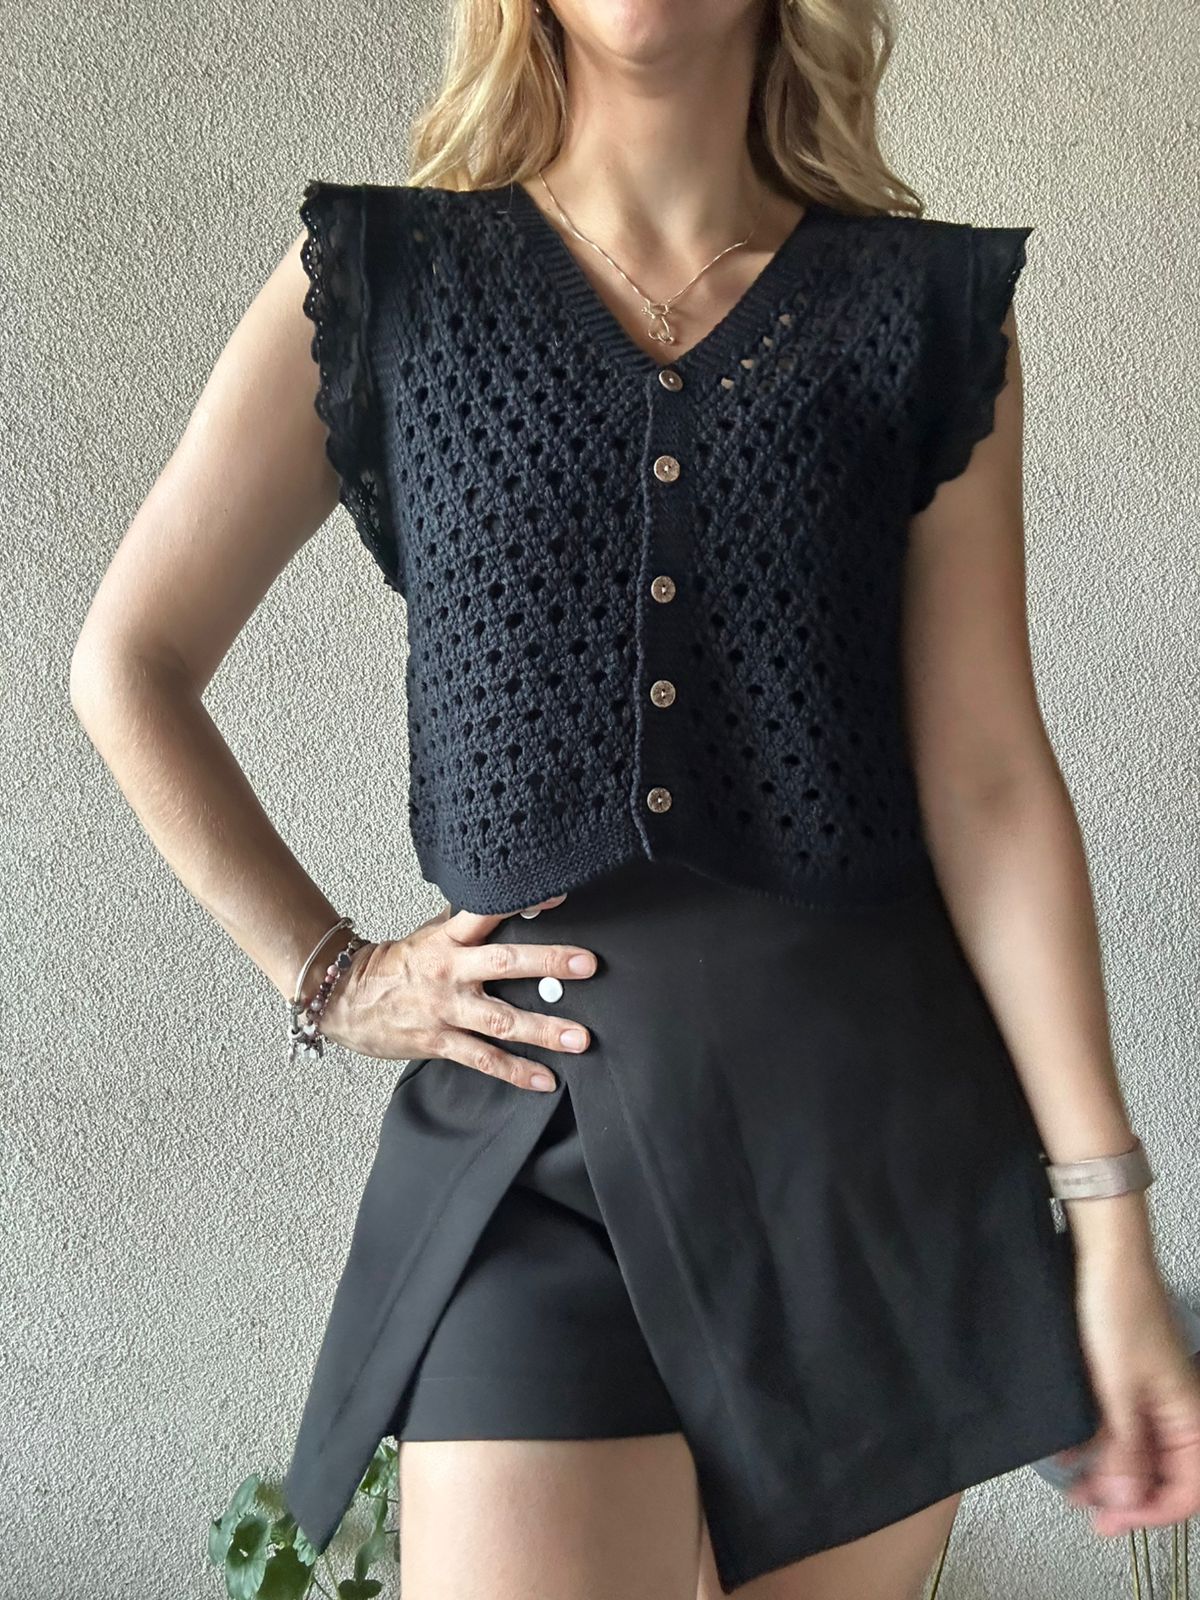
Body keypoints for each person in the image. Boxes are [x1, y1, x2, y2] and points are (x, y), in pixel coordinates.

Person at [70, 1, 1200, 1596]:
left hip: (868, 1160)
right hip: (543, 1142)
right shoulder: (392, 282)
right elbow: (128, 663)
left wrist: (1109, 1220)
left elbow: (992, 781)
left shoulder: (924, 314)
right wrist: (329, 974)